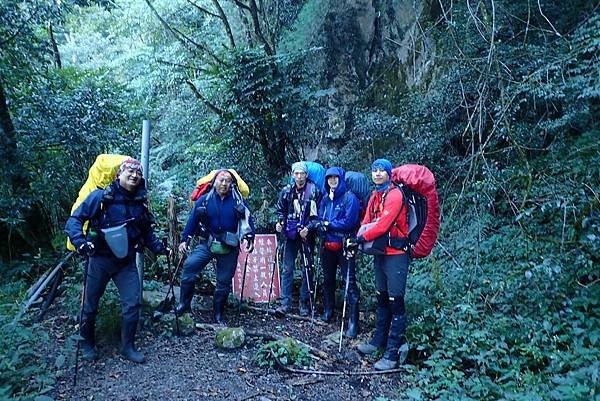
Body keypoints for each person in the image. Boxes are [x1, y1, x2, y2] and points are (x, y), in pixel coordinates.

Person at [65, 158, 170, 364]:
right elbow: (75, 220)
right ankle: (87, 344)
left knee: (133, 303)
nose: (134, 175)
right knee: (90, 305)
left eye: (138, 173)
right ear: (118, 175)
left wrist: (159, 248)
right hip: (99, 259)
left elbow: (146, 232)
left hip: (125, 261)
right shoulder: (100, 197)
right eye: (129, 171)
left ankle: (127, 346)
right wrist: (80, 242)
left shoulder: (140, 203)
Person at [346, 158, 410, 371]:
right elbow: (366, 221)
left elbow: (383, 225)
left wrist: (361, 239)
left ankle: (392, 354)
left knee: (395, 301)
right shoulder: (375, 195)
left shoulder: (395, 195)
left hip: (396, 254)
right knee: (382, 298)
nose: (378, 174)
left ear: (389, 174)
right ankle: (377, 342)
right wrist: (357, 237)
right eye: (375, 170)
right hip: (381, 253)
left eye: (382, 170)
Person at [175, 169, 255, 325]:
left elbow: (248, 223)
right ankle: (184, 304)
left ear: (232, 184)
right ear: (214, 181)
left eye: (227, 181)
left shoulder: (239, 201)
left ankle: (218, 313)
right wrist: (184, 239)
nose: (224, 183)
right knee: (190, 266)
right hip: (207, 243)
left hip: (229, 246)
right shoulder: (204, 200)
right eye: (221, 180)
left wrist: (249, 238)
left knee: (224, 281)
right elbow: (192, 221)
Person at [317, 167, 361, 337]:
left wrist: (328, 224)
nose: (332, 181)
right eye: (329, 178)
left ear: (341, 178)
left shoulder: (350, 198)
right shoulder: (326, 199)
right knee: (328, 280)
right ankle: (328, 311)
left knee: (349, 282)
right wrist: (324, 225)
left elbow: (349, 222)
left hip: (344, 244)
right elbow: (320, 218)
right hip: (327, 245)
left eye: (335, 178)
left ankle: (353, 322)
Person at [274, 162, 322, 316]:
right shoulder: (286, 191)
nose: (299, 177)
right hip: (291, 234)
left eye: (302, 173)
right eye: (296, 173)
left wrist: (308, 228)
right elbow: (280, 211)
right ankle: (285, 303)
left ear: (306, 175)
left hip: (307, 235)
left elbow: (317, 217)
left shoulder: (313, 191)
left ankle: (304, 303)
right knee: (287, 268)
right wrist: (280, 223)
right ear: (292, 175)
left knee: (307, 269)